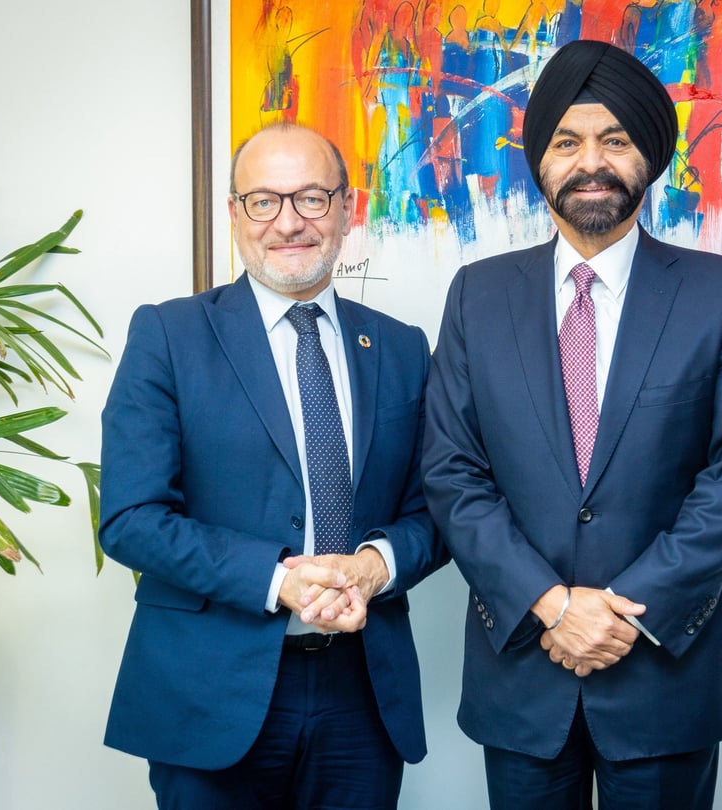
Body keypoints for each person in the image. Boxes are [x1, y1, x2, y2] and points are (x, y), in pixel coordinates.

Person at [422, 40, 722, 809]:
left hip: (661, 672)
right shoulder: (476, 297)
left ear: (647, 156)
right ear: (539, 161)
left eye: (614, 139)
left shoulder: (718, 294)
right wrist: (550, 604)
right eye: (567, 141)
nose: (591, 161)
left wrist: (620, 611)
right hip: (522, 666)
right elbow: (454, 473)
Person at [100, 122, 446, 809]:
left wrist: (375, 564)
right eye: (264, 201)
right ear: (235, 214)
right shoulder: (168, 335)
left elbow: (438, 507)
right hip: (210, 691)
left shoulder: (403, 349)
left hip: (362, 692)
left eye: (312, 198)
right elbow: (130, 518)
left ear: (347, 209)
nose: (289, 222)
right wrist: (275, 580)